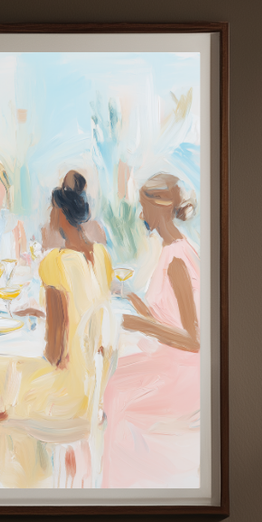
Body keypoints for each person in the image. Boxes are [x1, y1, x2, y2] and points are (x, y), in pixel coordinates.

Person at [0, 171, 116, 486]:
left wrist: (50, 317)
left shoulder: (55, 263)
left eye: (51, 215)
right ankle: (17, 479)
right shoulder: (101, 258)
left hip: (63, 395)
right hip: (90, 391)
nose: (46, 222)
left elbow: (54, 354)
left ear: (62, 217)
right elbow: (86, 312)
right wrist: (45, 310)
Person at [101, 171, 201, 488]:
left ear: (162, 206)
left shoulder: (177, 260)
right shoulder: (171, 250)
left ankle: (120, 485)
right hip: (169, 360)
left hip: (183, 373)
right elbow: (167, 315)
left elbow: (193, 339)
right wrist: (132, 299)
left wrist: (142, 323)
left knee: (116, 390)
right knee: (110, 377)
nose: (142, 215)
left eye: (145, 207)